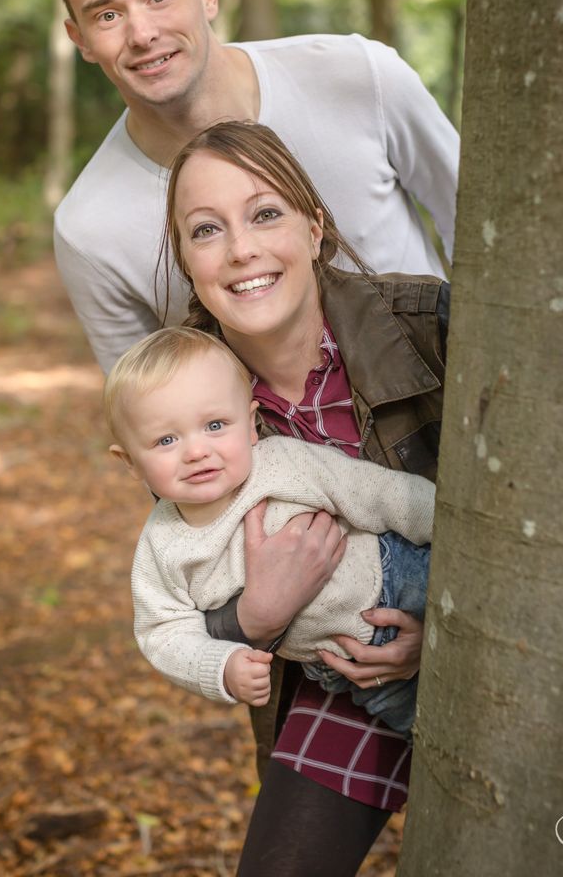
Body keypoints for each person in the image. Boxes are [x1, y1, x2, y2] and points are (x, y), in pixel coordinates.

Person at [161, 120, 448, 877]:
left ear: (314, 227)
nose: (242, 250)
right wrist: (251, 618)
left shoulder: (432, 328)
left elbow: (539, 532)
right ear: (188, 262)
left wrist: (447, 638)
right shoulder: (191, 402)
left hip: (489, 644)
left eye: (265, 214)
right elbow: (176, 594)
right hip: (342, 685)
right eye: (206, 231)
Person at [49, 0, 459, 374]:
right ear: (81, 39)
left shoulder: (360, 75)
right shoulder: (90, 231)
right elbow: (152, 415)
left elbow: (478, 224)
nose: (143, 33)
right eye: (108, 14)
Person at [106, 325, 434, 735]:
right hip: (350, 666)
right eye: (166, 439)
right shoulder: (163, 546)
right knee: (439, 738)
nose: (196, 452)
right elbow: (164, 633)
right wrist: (221, 667)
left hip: (402, 576)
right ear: (130, 463)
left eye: (214, 426)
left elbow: (378, 494)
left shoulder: (281, 464)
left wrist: (451, 528)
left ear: (250, 424)